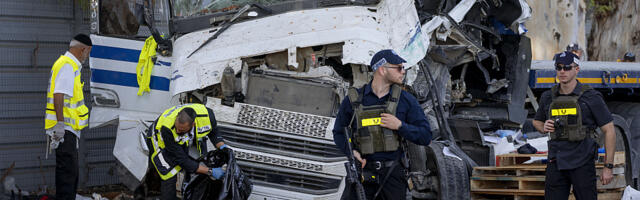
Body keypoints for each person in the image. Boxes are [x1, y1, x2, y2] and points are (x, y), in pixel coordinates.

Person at [333, 49, 432, 199]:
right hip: (361, 174)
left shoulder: (406, 100)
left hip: (392, 176)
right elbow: (338, 132)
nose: (403, 71)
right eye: (399, 67)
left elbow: (425, 136)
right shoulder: (354, 100)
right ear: (382, 69)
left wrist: (400, 126)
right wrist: (351, 152)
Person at [532, 51, 616, 200]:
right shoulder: (548, 96)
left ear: (576, 69)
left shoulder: (591, 97)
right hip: (556, 162)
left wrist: (608, 167)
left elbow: (609, 130)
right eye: (559, 67)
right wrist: (543, 126)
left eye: (567, 67)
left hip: (582, 162)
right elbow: (536, 121)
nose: (562, 71)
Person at [44, 34, 92, 200]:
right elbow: (59, 95)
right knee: (67, 175)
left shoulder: (66, 64)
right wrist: (60, 124)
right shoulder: (68, 66)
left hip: (66, 130)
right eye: (88, 52)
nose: (87, 56)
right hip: (65, 130)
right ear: (82, 49)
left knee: (69, 174)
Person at [148, 103, 228, 200]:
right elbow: (181, 159)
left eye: (181, 130)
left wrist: (222, 147)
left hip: (179, 141)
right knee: (168, 173)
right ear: (177, 117)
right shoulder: (167, 128)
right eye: (177, 127)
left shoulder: (207, 116)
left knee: (192, 165)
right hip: (158, 139)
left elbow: (214, 132)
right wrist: (210, 171)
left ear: (193, 124)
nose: (177, 131)